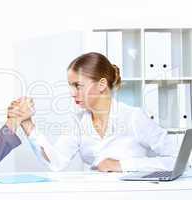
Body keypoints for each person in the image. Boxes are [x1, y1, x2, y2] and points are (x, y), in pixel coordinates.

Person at [9, 52, 176, 172]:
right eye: (70, 85)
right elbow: (56, 163)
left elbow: (176, 160)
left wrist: (122, 165)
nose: (72, 92)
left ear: (102, 84)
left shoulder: (133, 117)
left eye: (78, 85)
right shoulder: (78, 122)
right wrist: (27, 123)